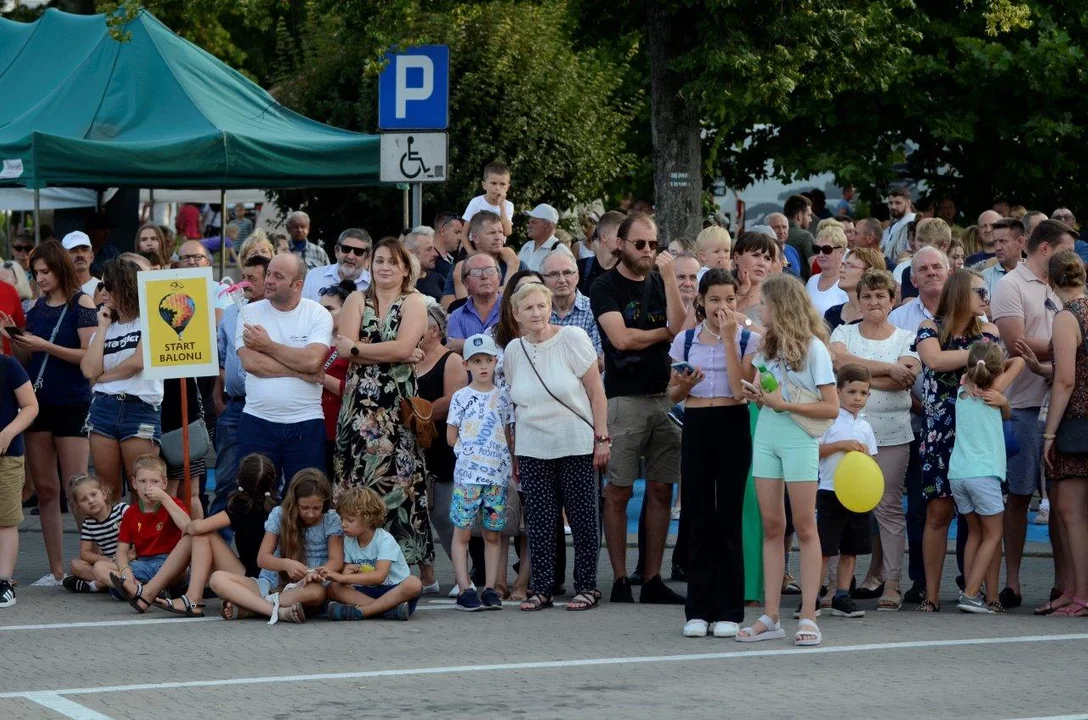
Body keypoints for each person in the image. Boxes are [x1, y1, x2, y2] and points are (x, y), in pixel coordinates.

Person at [590, 211, 686, 605]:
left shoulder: (662, 282)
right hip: (624, 399)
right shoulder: (604, 286)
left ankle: (651, 579)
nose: (648, 251)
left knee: (663, 488)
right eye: (640, 244)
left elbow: (681, 324)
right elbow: (622, 339)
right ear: (620, 245)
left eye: (654, 244)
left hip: (663, 396)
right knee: (619, 491)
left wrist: (668, 279)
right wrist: (663, 333)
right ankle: (618, 578)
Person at [738, 274, 838, 646]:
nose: (758, 308)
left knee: (804, 525)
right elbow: (764, 390)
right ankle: (771, 615)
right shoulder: (766, 349)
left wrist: (782, 403)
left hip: (798, 437)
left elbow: (831, 406)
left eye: (763, 303)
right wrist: (759, 396)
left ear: (779, 306)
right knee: (771, 526)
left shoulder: (815, 349)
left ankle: (809, 615)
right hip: (767, 432)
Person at [505, 283, 609, 612]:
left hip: (575, 442)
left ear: (550, 307)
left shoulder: (572, 338)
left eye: (541, 306)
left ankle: (588, 586)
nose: (536, 313)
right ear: (516, 314)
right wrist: (516, 452)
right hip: (533, 446)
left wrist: (602, 438)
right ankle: (542, 588)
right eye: (529, 308)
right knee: (539, 521)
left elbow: (596, 392)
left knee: (583, 519)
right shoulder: (513, 351)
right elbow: (516, 404)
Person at [667, 269, 757, 637]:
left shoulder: (748, 337)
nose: (723, 306)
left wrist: (730, 340)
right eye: (715, 299)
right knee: (699, 514)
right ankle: (698, 609)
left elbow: (740, 391)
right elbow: (670, 395)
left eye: (730, 299)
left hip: (733, 423)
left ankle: (730, 610)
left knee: (729, 517)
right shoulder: (685, 340)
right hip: (698, 424)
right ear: (700, 301)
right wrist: (684, 384)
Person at [1, 240, 97, 585]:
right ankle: (56, 569)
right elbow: (30, 362)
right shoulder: (37, 309)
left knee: (77, 488)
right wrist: (15, 338)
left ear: (60, 268)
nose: (40, 278)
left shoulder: (82, 304)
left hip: (73, 401)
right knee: (45, 489)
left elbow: (88, 358)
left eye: (45, 271)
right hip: (40, 402)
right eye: (35, 272)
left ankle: (89, 562)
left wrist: (45, 345)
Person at [991, 218, 1075, 610]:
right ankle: (1013, 581)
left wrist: (1066, 347)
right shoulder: (1009, 285)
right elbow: (1016, 342)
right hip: (1023, 406)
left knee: (1062, 500)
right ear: (1045, 248)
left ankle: (1063, 583)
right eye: (1066, 249)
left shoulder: (1065, 288)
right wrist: (1069, 347)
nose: (1071, 257)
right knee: (1019, 497)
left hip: (1064, 406)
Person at [334, 238, 431, 566]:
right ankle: (361, 563)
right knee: (361, 482)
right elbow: (343, 348)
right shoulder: (355, 299)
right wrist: (391, 350)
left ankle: (405, 566)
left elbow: (401, 349)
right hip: (360, 406)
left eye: (392, 261)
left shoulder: (414, 301)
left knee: (401, 484)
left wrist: (362, 349)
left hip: (397, 408)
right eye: (379, 261)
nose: (385, 267)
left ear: (405, 268)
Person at [829, 269, 919, 609]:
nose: (874, 301)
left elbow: (906, 378)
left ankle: (892, 582)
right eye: (867, 295)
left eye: (881, 295)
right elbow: (837, 362)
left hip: (893, 433)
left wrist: (856, 378)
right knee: (838, 506)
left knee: (889, 508)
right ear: (859, 300)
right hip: (845, 434)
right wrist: (887, 369)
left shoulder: (906, 336)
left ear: (892, 300)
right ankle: (833, 585)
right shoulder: (843, 332)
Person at [914, 269, 1000, 612]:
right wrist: (979, 357)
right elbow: (933, 359)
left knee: (986, 515)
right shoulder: (929, 329)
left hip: (978, 434)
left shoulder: (989, 330)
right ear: (960, 292)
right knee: (938, 514)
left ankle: (989, 594)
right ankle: (931, 595)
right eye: (979, 290)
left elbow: (997, 368)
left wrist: (980, 357)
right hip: (940, 434)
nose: (985, 296)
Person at [210, 469, 344, 624]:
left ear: (324, 504)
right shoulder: (280, 514)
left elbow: (336, 560)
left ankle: (252, 607)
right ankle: (277, 612)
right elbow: (262, 559)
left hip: (304, 587)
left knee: (317, 593)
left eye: (316, 508)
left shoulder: (330, 520)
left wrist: (315, 573)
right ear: (294, 503)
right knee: (217, 579)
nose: (311, 514)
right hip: (270, 584)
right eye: (305, 508)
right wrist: (286, 564)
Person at [80, 259, 163, 502]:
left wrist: (103, 377)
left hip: (140, 408)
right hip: (104, 408)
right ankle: (116, 541)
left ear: (126, 286)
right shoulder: (104, 327)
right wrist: (103, 326)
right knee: (108, 491)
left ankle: (140, 541)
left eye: (109, 285)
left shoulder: (150, 320)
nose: (102, 292)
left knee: (144, 492)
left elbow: (139, 362)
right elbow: (87, 369)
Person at [950, 341, 1023, 613]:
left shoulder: (962, 391)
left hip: (958, 474)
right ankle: (970, 595)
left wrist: (976, 371)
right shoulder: (994, 391)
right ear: (995, 369)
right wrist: (999, 389)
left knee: (976, 535)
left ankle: (986, 595)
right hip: (984, 474)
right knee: (994, 535)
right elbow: (1020, 362)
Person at [444, 334, 513, 611]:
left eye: (487, 360)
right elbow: (451, 436)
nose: (483, 366)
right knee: (462, 532)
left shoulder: (503, 398)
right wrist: (468, 452)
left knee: (493, 533)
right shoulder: (461, 398)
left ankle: (490, 588)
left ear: (496, 362)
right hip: (468, 477)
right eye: (476, 361)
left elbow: (507, 435)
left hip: (496, 478)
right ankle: (464, 588)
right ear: (466, 364)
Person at [1038, 250, 1088, 616]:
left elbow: (1066, 379)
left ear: (1052, 282)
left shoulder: (1066, 317)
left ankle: (1080, 594)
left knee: (1070, 512)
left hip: (1076, 424)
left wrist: (1050, 434)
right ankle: (1073, 591)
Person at [209, 254, 269, 525]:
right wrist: (218, 397)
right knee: (224, 483)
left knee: (265, 480)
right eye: (242, 276)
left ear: (269, 279)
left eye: (251, 278)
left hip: (268, 408)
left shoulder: (276, 312)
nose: (244, 283)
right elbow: (221, 357)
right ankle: (215, 548)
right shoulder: (231, 312)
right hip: (233, 406)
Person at [816, 365, 879, 620]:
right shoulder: (828, 420)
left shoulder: (865, 427)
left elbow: (872, 462)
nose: (857, 398)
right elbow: (815, 451)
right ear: (838, 391)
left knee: (850, 549)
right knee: (824, 549)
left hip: (857, 497)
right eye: (851, 391)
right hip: (830, 492)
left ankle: (842, 595)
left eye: (863, 393)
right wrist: (841, 445)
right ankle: (812, 598)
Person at [413, 304, 468, 590]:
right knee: (416, 515)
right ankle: (428, 576)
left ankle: (463, 575)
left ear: (434, 330)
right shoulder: (408, 359)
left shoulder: (451, 360)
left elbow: (454, 400)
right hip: (412, 447)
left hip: (442, 447)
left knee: (446, 515)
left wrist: (418, 415)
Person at [96, 454, 191, 612]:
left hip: (171, 562)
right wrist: (124, 569)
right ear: (134, 483)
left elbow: (188, 527)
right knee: (99, 567)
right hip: (144, 564)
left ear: (164, 483)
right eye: (142, 481)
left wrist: (165, 498)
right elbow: (121, 550)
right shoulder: (131, 513)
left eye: (154, 482)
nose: (148, 487)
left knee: (180, 572)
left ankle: (141, 589)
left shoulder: (173, 504)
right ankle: (141, 590)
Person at [322, 486, 424, 621]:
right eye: (342, 519)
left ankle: (363, 611)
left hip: (394, 591)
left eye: (350, 520)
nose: (343, 524)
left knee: (414, 583)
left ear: (368, 519)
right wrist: (347, 572)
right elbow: (348, 571)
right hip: (373, 594)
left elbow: (379, 576)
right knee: (333, 588)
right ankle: (388, 610)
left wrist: (341, 578)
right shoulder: (348, 540)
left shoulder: (384, 540)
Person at [0, 342, 37, 607]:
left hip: (7, 455)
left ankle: (4, 581)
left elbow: (30, 406)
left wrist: (9, 432)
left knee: (5, 519)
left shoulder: (8, 365)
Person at [441, 211, 525, 308]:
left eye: (501, 232)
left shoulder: (519, 264)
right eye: (492, 233)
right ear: (475, 238)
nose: (498, 237)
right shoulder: (460, 268)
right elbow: (446, 304)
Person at [63, 475, 126, 594]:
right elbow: (85, 553)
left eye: (93, 494)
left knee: (101, 570)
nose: (90, 501)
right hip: (109, 563)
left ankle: (94, 586)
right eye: (83, 499)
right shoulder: (88, 524)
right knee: (75, 565)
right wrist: (105, 559)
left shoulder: (122, 510)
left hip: (131, 559)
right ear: (79, 507)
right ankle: (113, 582)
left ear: (104, 494)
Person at [315, 280, 354, 475]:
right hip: (312, 425)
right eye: (319, 308)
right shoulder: (311, 341)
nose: (323, 313)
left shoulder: (355, 346)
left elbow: (355, 389)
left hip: (340, 427)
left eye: (329, 308)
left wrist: (320, 377)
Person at [541, 250, 602, 362]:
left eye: (567, 272)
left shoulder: (594, 308)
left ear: (577, 276)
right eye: (553, 274)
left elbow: (598, 360)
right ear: (543, 279)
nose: (562, 280)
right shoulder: (538, 313)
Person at [447, 253, 502, 353]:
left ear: (499, 278)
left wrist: (466, 344)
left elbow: (514, 347)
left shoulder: (514, 309)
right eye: (475, 272)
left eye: (490, 270)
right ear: (465, 283)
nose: (484, 276)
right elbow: (455, 350)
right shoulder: (456, 317)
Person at [823, 247, 886, 331]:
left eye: (850, 266)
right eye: (843, 265)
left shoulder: (880, 317)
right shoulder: (832, 313)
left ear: (869, 273)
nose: (841, 270)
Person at [301, 228, 373, 302]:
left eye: (358, 252)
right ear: (336, 251)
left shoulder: (374, 284)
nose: (350, 256)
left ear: (367, 257)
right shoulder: (314, 277)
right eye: (346, 249)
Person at [733, 231, 778, 330]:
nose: (762, 263)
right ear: (736, 257)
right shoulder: (719, 289)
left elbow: (776, 341)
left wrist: (745, 321)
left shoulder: (775, 301)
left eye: (767, 258)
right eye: (756, 255)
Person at [805, 225, 849, 316]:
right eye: (817, 249)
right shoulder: (812, 281)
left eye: (826, 249)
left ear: (841, 252)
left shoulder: (847, 284)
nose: (820, 254)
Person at [463, 161, 514, 237]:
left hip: (497, 246)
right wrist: (471, 249)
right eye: (493, 183)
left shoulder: (509, 205)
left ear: (507, 187)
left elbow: (507, 232)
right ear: (484, 185)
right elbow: (464, 234)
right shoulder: (476, 203)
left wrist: (501, 206)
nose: (497, 188)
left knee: (508, 250)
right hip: (476, 245)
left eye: (502, 184)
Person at [579, 211, 623, 295]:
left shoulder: (628, 269)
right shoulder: (581, 268)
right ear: (604, 237)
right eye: (619, 235)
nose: (623, 239)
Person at [982, 218, 1026, 298]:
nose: (997, 247)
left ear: (1020, 242)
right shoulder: (986, 276)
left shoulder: (1035, 273)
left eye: (1003, 241)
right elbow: (983, 308)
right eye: (995, 242)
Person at [518, 204, 562, 271]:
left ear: (548, 226)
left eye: (534, 222)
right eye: (529, 222)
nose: (529, 225)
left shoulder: (559, 250)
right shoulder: (527, 246)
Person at [404, 227, 444, 301]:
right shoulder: (398, 282)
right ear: (410, 253)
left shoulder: (438, 279)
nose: (436, 254)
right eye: (428, 249)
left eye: (434, 249)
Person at [882, 187, 916, 265]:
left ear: (908, 203)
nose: (893, 207)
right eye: (891, 203)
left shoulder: (914, 222)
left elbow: (911, 253)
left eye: (898, 203)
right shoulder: (895, 225)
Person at [783, 195, 815, 279]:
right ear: (800, 215)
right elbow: (815, 269)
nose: (811, 220)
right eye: (809, 215)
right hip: (801, 288)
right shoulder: (806, 236)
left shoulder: (772, 234)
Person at [61, 231, 100, 298]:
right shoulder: (57, 289)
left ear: (92, 257)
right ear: (62, 258)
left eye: (84, 250)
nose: (80, 254)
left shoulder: (102, 288)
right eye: (73, 250)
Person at [766, 212, 804, 278]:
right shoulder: (763, 252)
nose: (781, 231)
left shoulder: (792, 251)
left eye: (784, 227)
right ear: (767, 229)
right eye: (776, 227)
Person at [433, 211, 465, 280]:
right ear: (443, 231)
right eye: (457, 232)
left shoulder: (452, 259)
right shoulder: (430, 261)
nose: (460, 238)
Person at [673, 254, 701, 331]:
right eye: (681, 277)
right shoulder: (658, 309)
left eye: (693, 278)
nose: (688, 284)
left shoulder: (707, 315)